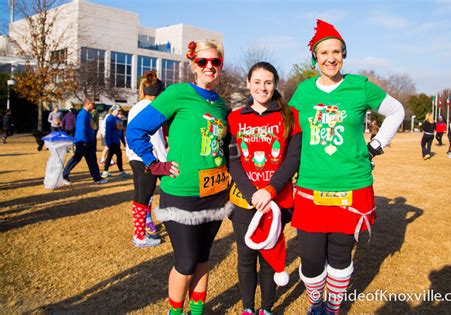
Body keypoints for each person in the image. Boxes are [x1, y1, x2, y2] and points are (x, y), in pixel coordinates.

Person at [288, 20, 405, 315]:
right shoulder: (303, 91)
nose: (330, 58)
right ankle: (316, 302)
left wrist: (376, 145)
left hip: (352, 185)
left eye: (336, 52)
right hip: (311, 186)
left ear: (344, 55)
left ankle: (334, 308)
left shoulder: (359, 86)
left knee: (340, 256)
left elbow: (396, 111)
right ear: (314, 57)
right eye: (324, 52)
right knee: (312, 259)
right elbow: (286, 128)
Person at [127, 39, 230, 315]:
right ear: (193, 66)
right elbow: (136, 130)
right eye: (203, 62)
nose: (210, 67)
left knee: (202, 259)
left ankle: (196, 312)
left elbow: (225, 147)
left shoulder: (221, 105)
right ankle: (175, 312)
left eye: (215, 62)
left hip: (215, 193)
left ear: (220, 66)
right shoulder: (177, 94)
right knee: (185, 262)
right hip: (182, 193)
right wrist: (154, 163)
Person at [227, 62, 301, 315]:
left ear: (275, 84)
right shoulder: (235, 118)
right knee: (246, 258)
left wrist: (270, 190)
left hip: (275, 200)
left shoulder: (290, 115)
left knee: (269, 257)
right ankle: (248, 308)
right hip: (244, 201)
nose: (262, 87)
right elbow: (233, 160)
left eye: (268, 82)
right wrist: (252, 193)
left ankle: (266, 308)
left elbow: (293, 159)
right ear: (248, 83)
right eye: (257, 82)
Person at [126, 71, 165, 247]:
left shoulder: (135, 107)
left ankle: (141, 231)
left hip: (134, 157)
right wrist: (162, 162)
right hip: (148, 159)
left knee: (141, 195)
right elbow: (155, 140)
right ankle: (140, 236)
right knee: (144, 196)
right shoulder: (153, 109)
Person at [62, 98, 108, 185]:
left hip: (89, 141)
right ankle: (64, 175)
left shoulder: (88, 114)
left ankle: (97, 178)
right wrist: (84, 141)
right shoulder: (83, 114)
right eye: (93, 104)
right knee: (76, 159)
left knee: (92, 160)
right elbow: (81, 129)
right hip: (83, 141)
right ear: (88, 104)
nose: (94, 106)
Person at [101, 104, 129, 178]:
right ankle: (108, 172)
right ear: (114, 110)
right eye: (118, 110)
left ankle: (114, 172)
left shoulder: (119, 119)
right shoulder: (110, 118)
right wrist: (108, 142)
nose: (119, 112)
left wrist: (124, 142)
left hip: (116, 142)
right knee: (111, 156)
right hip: (112, 141)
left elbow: (121, 132)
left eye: (120, 110)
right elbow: (108, 131)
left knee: (117, 156)